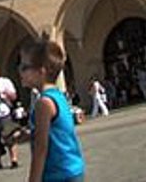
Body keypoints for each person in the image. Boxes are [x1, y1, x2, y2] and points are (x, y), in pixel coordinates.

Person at [17, 36, 84, 182]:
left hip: (59, 174)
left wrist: (33, 179)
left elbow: (41, 148)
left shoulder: (44, 103)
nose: (19, 71)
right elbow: (55, 131)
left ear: (41, 72)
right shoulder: (57, 96)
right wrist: (28, 134)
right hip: (72, 169)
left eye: (24, 67)